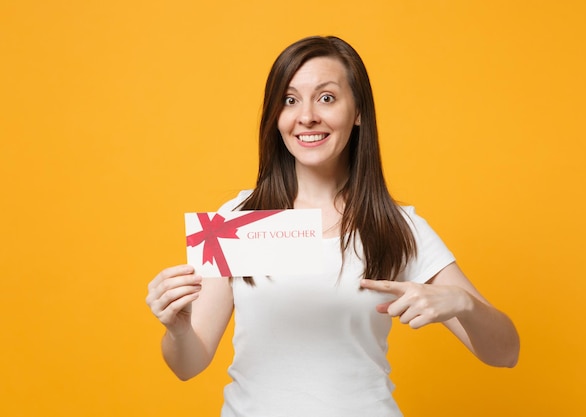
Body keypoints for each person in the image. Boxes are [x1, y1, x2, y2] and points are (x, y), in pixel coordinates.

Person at [146, 35, 520, 416]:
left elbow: (506, 353)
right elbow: (187, 365)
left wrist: (464, 304)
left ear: (358, 112)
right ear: (276, 116)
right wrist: (177, 328)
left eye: (326, 97)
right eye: (290, 100)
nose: (306, 116)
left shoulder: (397, 227)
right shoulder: (237, 220)